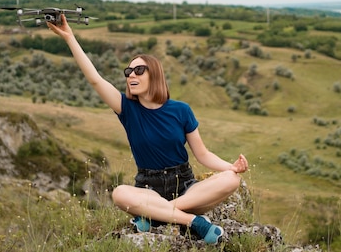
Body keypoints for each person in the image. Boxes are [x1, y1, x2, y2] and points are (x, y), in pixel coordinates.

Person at [48, 14, 249, 244]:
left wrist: (230, 167)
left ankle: (155, 216)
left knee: (231, 180)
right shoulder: (126, 108)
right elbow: (95, 80)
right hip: (147, 188)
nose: (131, 75)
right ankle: (193, 222)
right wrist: (69, 37)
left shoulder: (181, 110)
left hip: (184, 186)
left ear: (155, 74)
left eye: (139, 70)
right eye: (129, 72)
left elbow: (202, 155)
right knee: (119, 194)